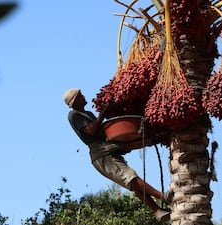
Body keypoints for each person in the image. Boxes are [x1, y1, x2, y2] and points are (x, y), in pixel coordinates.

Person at [63, 88, 171, 222]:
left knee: (132, 185)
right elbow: (91, 131)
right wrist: (103, 113)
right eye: (80, 96)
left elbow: (103, 132)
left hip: (108, 148)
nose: (84, 96)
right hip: (102, 155)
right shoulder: (73, 115)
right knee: (130, 177)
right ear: (74, 101)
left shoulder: (88, 113)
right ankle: (163, 197)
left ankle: (157, 211)